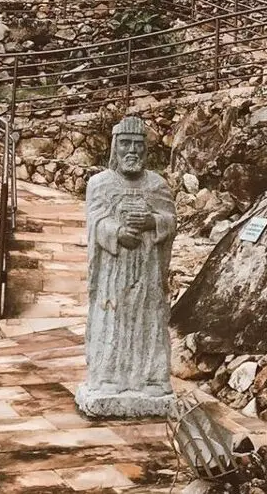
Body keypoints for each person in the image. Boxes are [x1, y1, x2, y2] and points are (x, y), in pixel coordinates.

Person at [76, 116, 177, 417]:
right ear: (114, 148)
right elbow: (94, 221)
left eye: (137, 144)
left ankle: (152, 379)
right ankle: (107, 377)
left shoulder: (157, 185)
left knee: (149, 319)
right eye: (125, 144)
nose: (131, 151)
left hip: (147, 271)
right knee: (112, 318)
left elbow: (170, 221)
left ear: (146, 149)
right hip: (113, 273)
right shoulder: (100, 184)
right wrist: (117, 232)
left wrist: (152, 222)